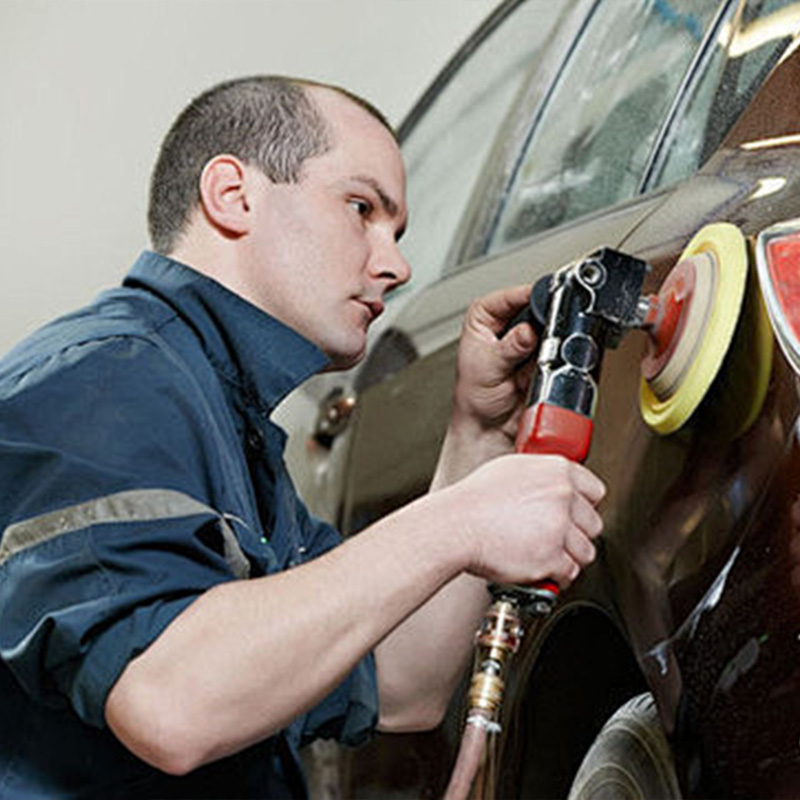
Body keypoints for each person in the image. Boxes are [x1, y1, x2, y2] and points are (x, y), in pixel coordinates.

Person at [0, 75, 605, 798]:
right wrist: (458, 522)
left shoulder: (228, 423)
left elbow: (402, 684)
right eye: (362, 209)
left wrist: (478, 435)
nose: (397, 266)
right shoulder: (103, 382)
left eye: (397, 233)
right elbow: (169, 701)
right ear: (233, 195)